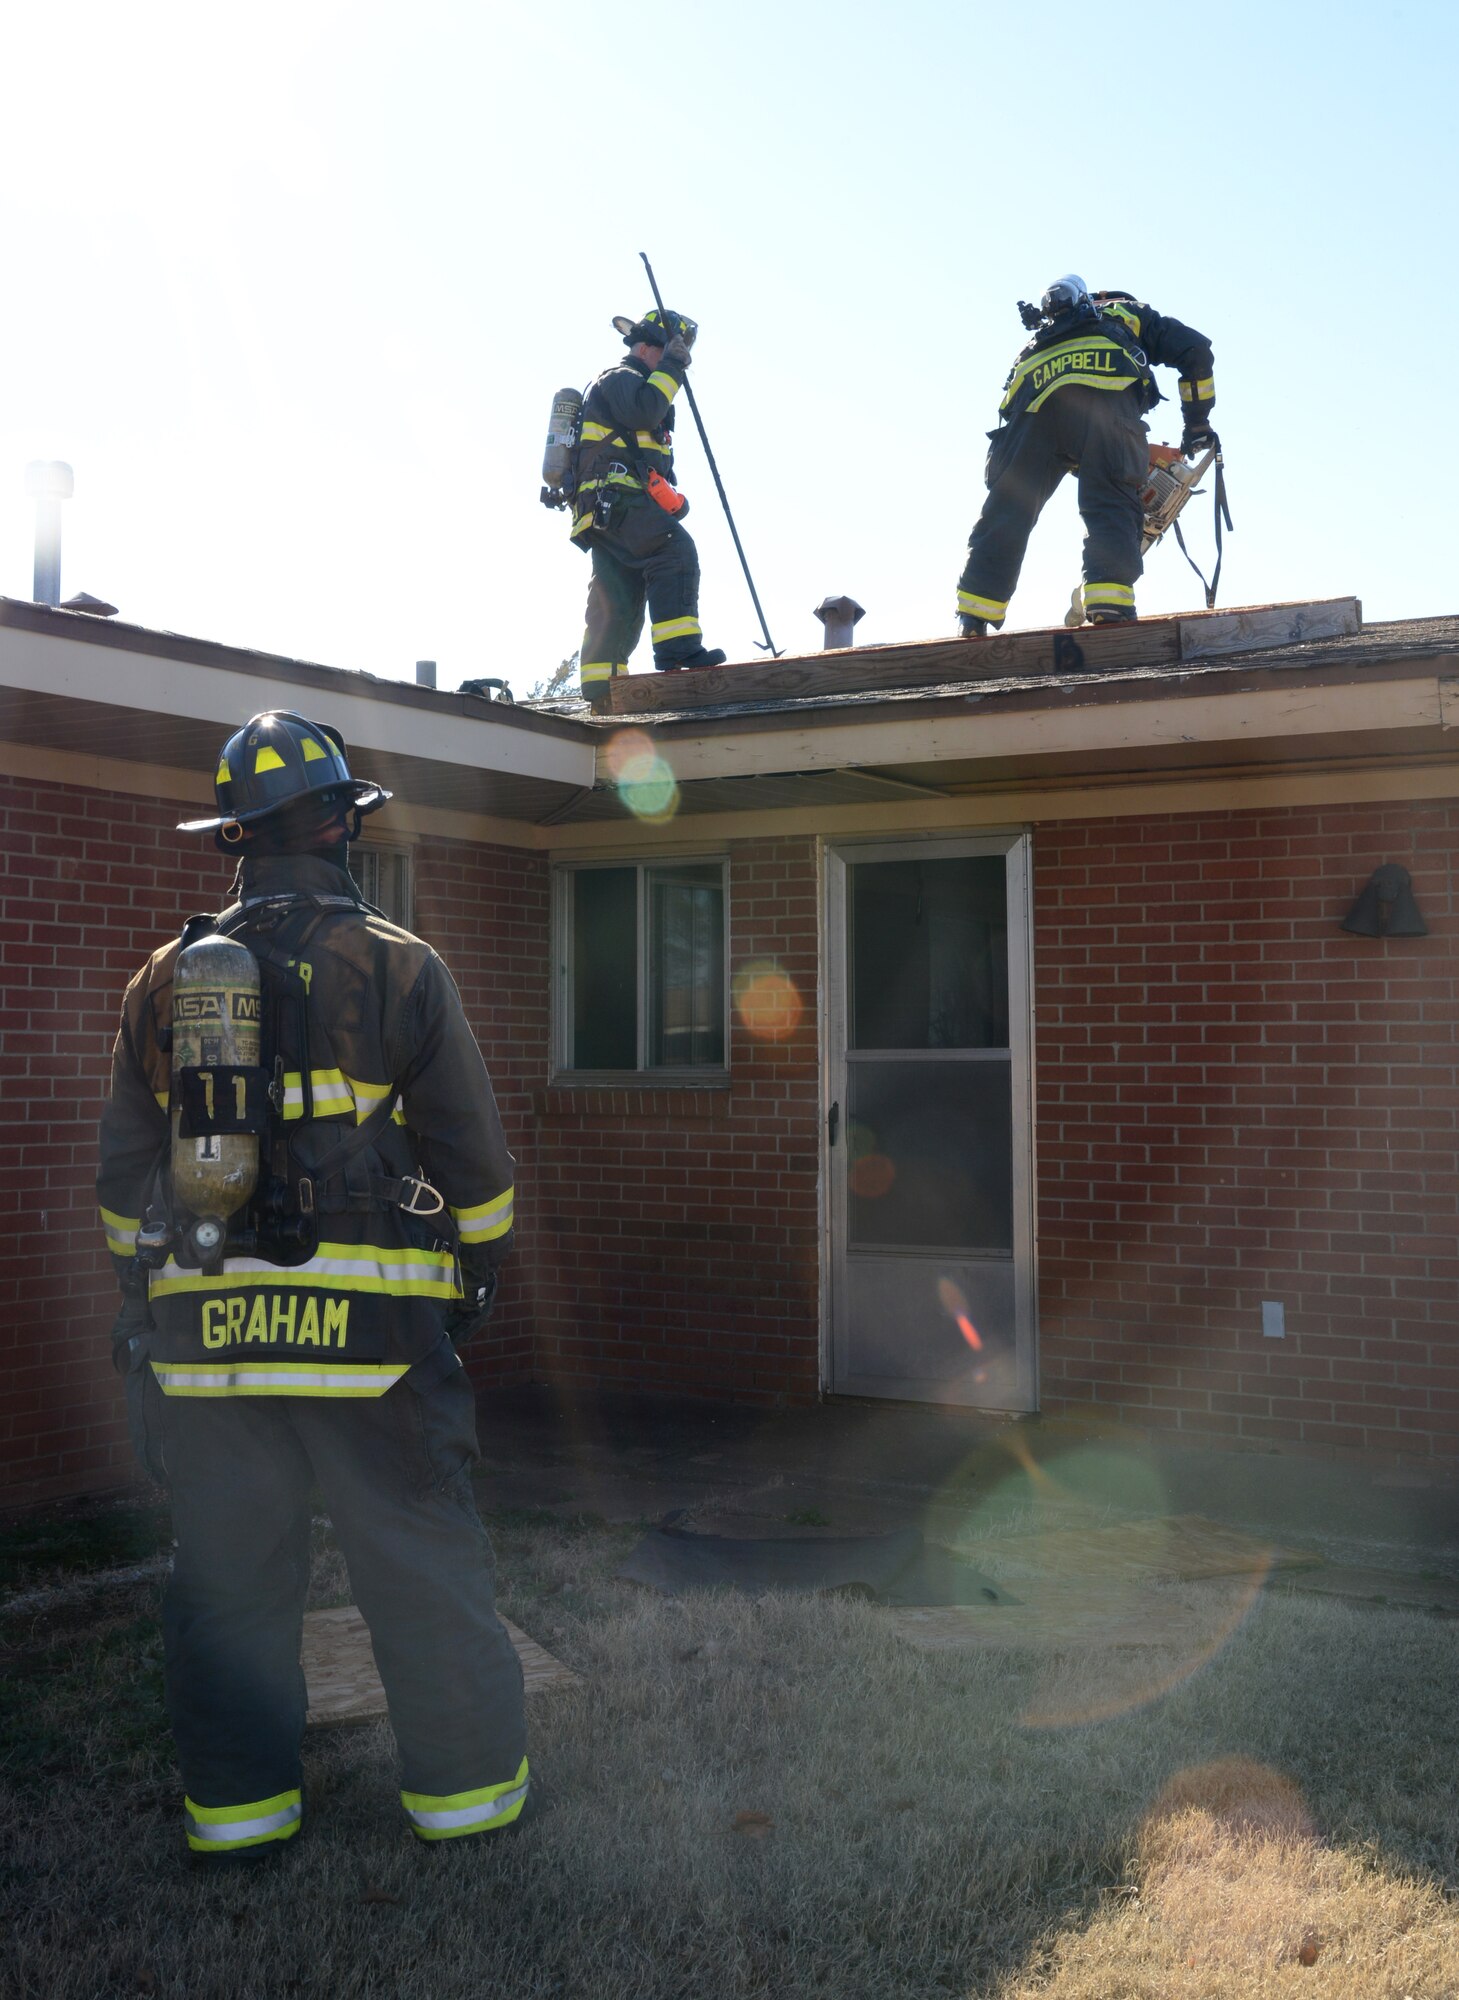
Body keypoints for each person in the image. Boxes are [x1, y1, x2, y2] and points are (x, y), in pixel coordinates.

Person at [97, 709, 528, 1864]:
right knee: (421, 1570)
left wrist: (153, 1304)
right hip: (375, 1348)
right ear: (341, 822)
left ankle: (237, 1819)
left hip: (207, 1352)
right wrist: (473, 1271)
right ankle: (466, 1804)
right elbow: (474, 1168)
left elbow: (117, 1185)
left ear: (234, 836)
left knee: (228, 1592)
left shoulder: (163, 984)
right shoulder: (399, 965)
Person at [956, 276, 1216, 634]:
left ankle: (973, 615)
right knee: (1109, 499)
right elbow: (1195, 350)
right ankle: (1109, 605)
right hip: (1106, 399)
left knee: (1009, 509)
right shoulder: (1125, 312)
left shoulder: (1038, 340)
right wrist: (1196, 424)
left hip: (1033, 405)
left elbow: (1063, 436)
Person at [568, 307, 726, 707]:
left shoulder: (637, 387)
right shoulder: (620, 379)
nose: (677, 361)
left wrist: (668, 499)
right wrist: (673, 364)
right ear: (645, 348)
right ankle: (677, 652)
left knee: (617, 594)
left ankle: (601, 688)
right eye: (669, 351)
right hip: (615, 500)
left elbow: (651, 459)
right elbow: (644, 409)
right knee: (673, 550)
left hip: (608, 508)